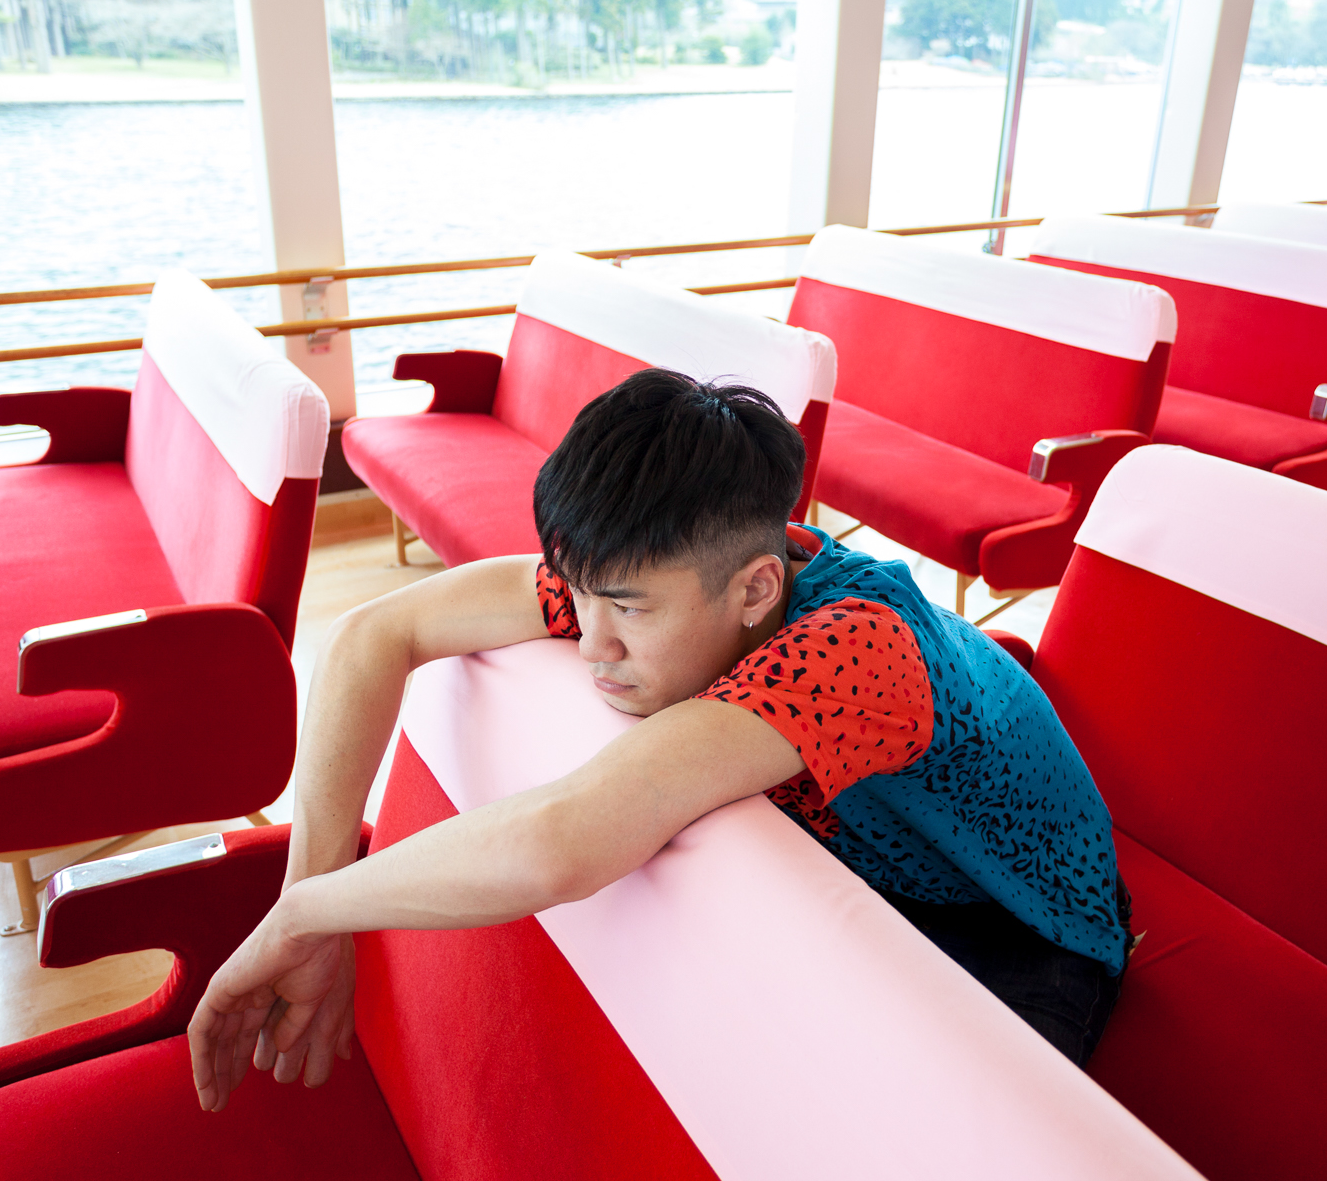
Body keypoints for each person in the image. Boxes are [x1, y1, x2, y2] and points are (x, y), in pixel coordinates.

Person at [188, 369, 1131, 1111]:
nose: (591, 641)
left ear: (757, 589)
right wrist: (308, 894)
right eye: (579, 594)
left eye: (629, 611)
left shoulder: (856, 653)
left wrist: (304, 918)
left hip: (1018, 930)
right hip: (869, 865)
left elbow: (560, 841)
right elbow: (371, 635)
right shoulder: (650, 573)